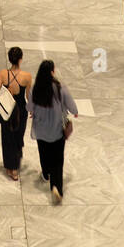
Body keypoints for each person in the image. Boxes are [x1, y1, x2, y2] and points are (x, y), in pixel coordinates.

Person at [28, 60, 77, 203]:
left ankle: (45, 173)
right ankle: (56, 187)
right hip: (56, 131)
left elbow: (29, 107)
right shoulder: (60, 89)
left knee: (43, 152)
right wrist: (74, 112)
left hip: (40, 130)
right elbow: (73, 107)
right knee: (57, 160)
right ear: (52, 72)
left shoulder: (35, 89)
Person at [0, 47, 32, 180]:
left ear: (10, 59)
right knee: (17, 138)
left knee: (7, 138)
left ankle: (9, 167)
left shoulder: (3, 74)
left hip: (8, 110)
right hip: (21, 111)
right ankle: (15, 168)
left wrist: (8, 91)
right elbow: (28, 95)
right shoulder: (27, 76)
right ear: (20, 59)